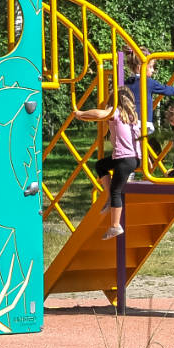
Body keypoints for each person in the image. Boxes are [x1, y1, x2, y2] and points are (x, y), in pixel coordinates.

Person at [72, 92, 144, 239]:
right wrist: (146, 158)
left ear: (113, 103)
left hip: (124, 159)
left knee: (116, 191)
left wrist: (81, 113)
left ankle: (115, 225)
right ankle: (110, 197)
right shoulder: (133, 118)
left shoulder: (115, 112)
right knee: (101, 165)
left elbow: (99, 114)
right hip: (134, 158)